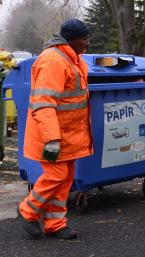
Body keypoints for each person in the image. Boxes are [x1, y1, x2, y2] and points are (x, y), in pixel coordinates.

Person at [17, 19, 93, 239]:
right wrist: (51, 139)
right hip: (52, 136)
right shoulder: (53, 61)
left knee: (66, 177)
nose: (87, 43)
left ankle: (55, 223)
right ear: (71, 40)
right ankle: (28, 210)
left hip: (67, 135)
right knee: (57, 176)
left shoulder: (73, 60)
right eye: (84, 39)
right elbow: (44, 105)